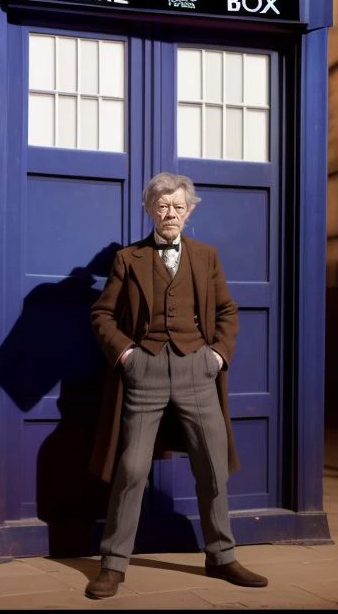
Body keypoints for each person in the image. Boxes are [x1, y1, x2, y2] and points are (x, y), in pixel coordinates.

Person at [85, 171, 268, 599]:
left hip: (196, 371)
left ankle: (221, 556)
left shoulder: (206, 257)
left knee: (212, 464)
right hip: (143, 372)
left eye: (178, 207)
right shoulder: (127, 259)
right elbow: (102, 315)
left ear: (189, 212)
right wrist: (127, 356)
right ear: (150, 209)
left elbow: (227, 310)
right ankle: (113, 565)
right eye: (162, 206)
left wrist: (217, 355)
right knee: (131, 468)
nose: (170, 213)